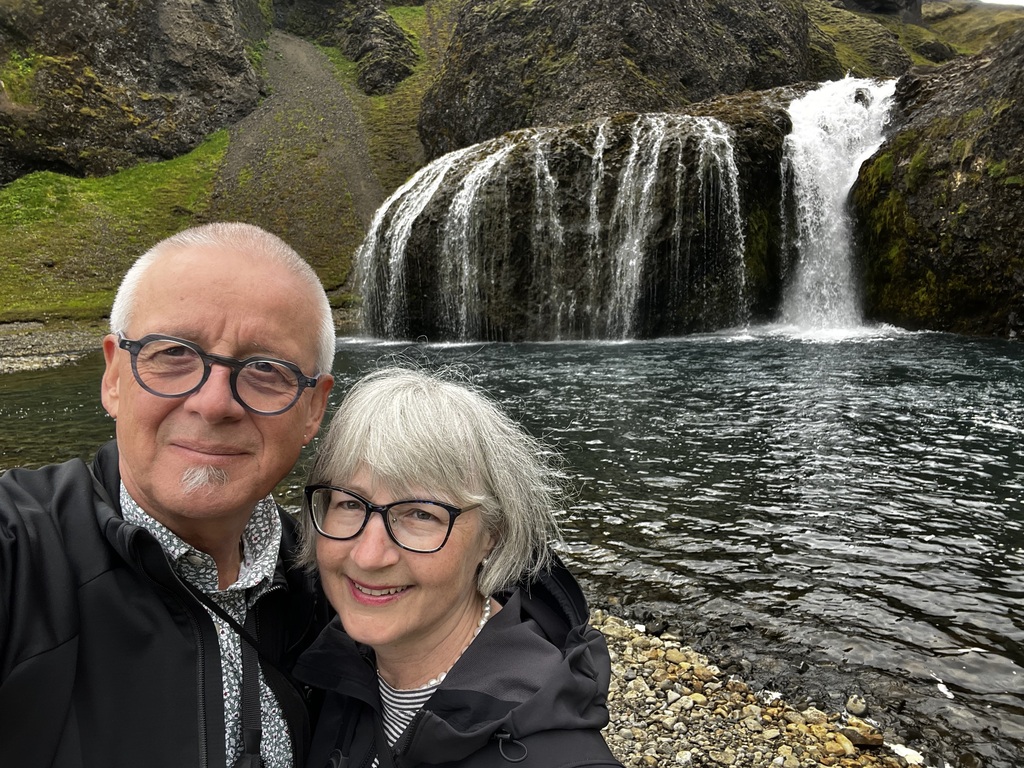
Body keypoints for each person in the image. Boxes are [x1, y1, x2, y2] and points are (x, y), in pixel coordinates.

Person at [0, 222, 337, 768]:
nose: (213, 403)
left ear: (314, 410)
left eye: (267, 370)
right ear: (113, 376)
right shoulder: (22, 551)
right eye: (174, 354)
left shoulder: (338, 580)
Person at [293, 367, 623, 768]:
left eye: (420, 514)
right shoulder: (324, 670)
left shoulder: (560, 757)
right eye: (349, 503)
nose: (368, 556)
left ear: (492, 536)